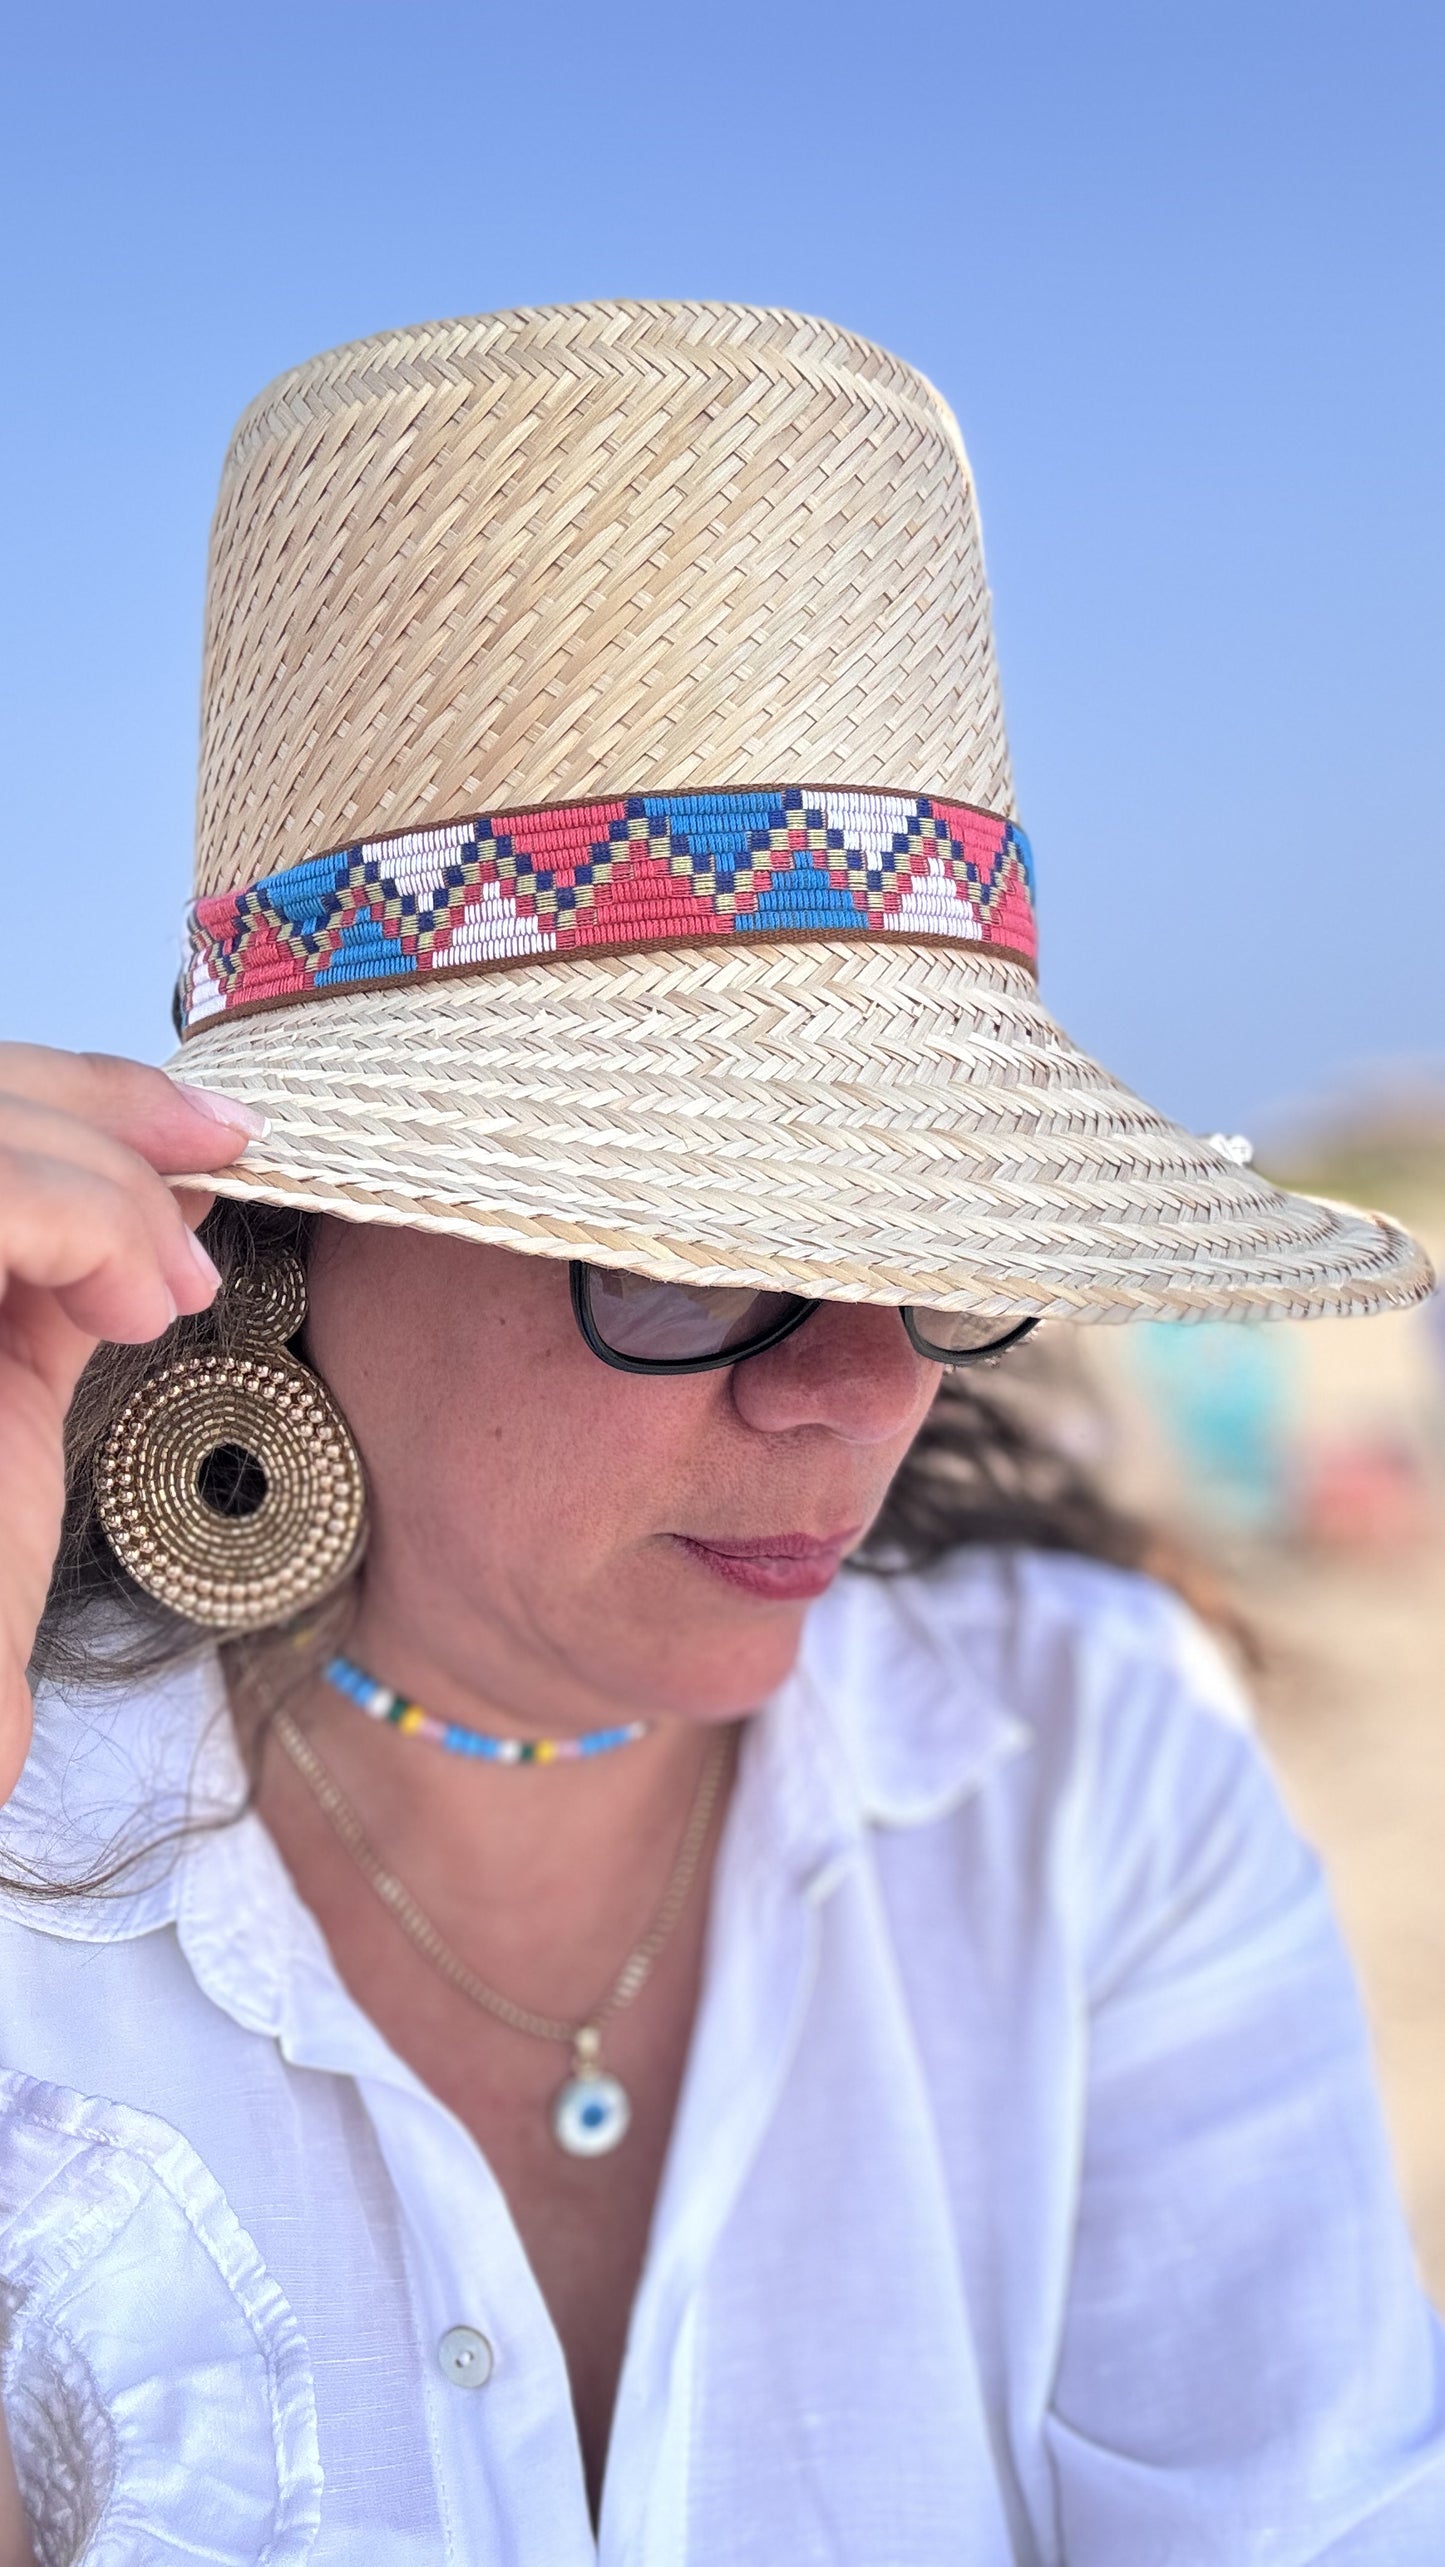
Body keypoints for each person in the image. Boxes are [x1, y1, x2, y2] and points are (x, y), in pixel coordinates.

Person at [0, 300, 1439, 2567]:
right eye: (683, 1251)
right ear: (285, 1228)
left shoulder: (1084, 1776)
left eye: (938, 1243)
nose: (867, 1383)